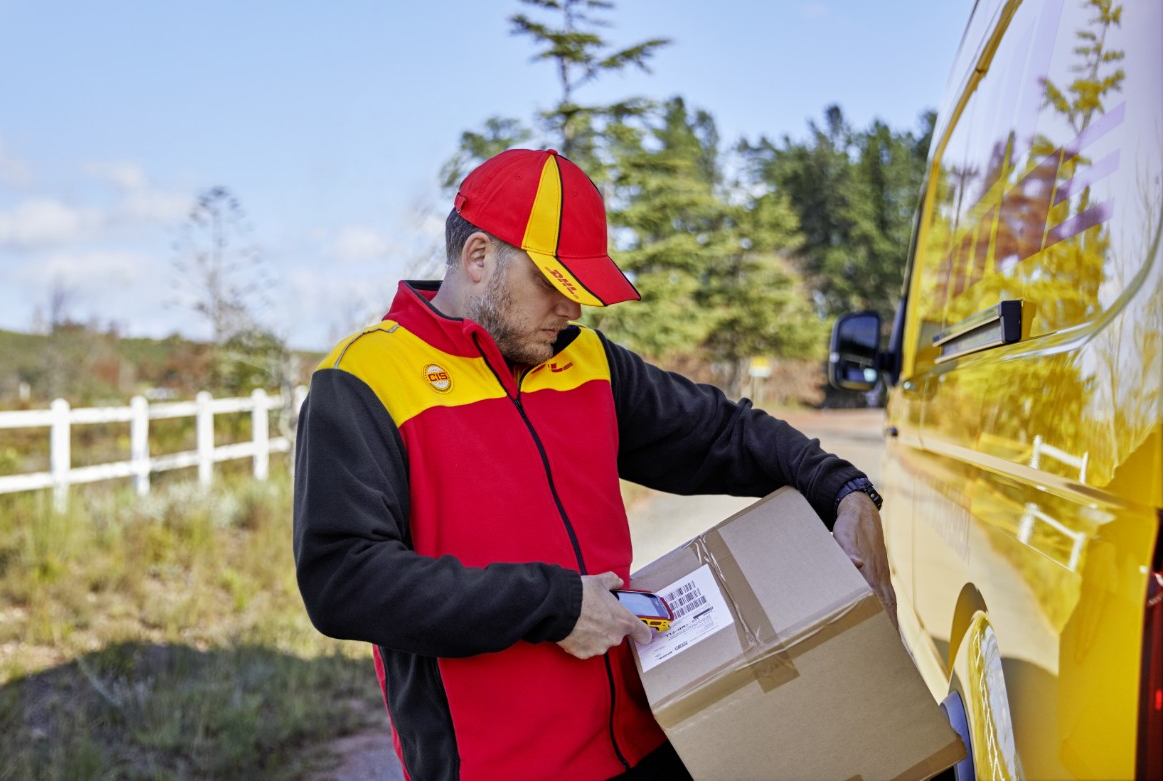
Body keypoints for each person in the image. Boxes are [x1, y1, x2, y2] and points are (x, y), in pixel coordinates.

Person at [293, 148, 895, 781]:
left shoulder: (589, 363)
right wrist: (555, 605)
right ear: (478, 259)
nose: (572, 311)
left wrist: (846, 490)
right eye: (554, 285)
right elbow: (344, 580)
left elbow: (725, 433)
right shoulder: (363, 380)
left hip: (653, 749)